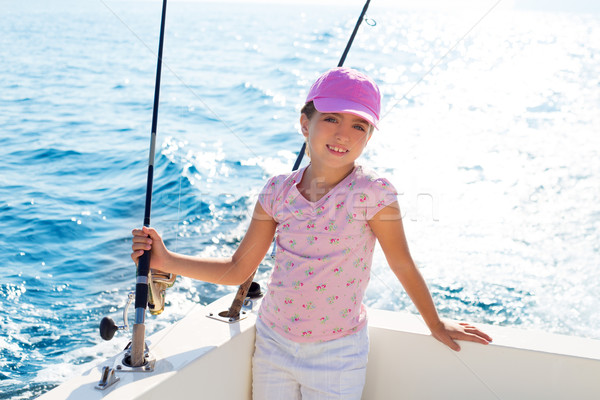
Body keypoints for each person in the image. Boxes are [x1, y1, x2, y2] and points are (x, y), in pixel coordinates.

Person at [131, 67, 492, 399]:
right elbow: (238, 269)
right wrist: (166, 259)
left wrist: (434, 322)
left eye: (358, 126)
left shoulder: (375, 193)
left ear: (368, 137)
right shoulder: (276, 192)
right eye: (331, 119)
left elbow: (402, 264)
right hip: (272, 343)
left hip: (339, 353)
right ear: (305, 124)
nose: (342, 134)